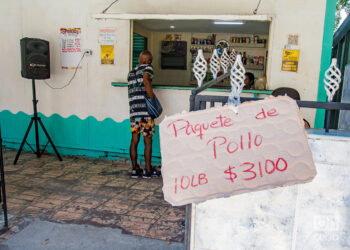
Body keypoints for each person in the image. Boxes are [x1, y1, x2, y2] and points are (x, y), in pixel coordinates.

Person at [127, 50, 160, 179]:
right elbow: (146, 80)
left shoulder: (131, 73)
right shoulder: (148, 68)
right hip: (146, 112)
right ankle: (147, 170)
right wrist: (151, 98)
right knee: (148, 141)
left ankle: (135, 169)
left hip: (134, 111)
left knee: (134, 140)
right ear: (149, 61)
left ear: (139, 60)